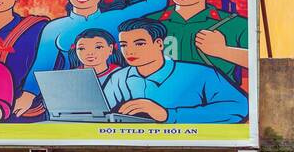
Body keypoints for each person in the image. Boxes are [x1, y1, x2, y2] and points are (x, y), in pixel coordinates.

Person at [19, 0, 169, 115]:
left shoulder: (117, 17)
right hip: (74, 91)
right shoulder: (54, 28)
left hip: (120, 87)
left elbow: (156, 2)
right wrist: (28, 95)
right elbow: (43, 64)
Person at [102, 17, 249, 123]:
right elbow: (99, 111)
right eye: (124, 45)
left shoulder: (200, 73)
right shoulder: (118, 78)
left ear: (159, 44)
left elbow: (239, 108)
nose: (129, 51)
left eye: (139, 44)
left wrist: (168, 115)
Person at [145, 0, 248, 85]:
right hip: (163, 92)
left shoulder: (234, 24)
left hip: (216, 94)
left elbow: (257, 60)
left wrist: (223, 51)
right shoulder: (149, 23)